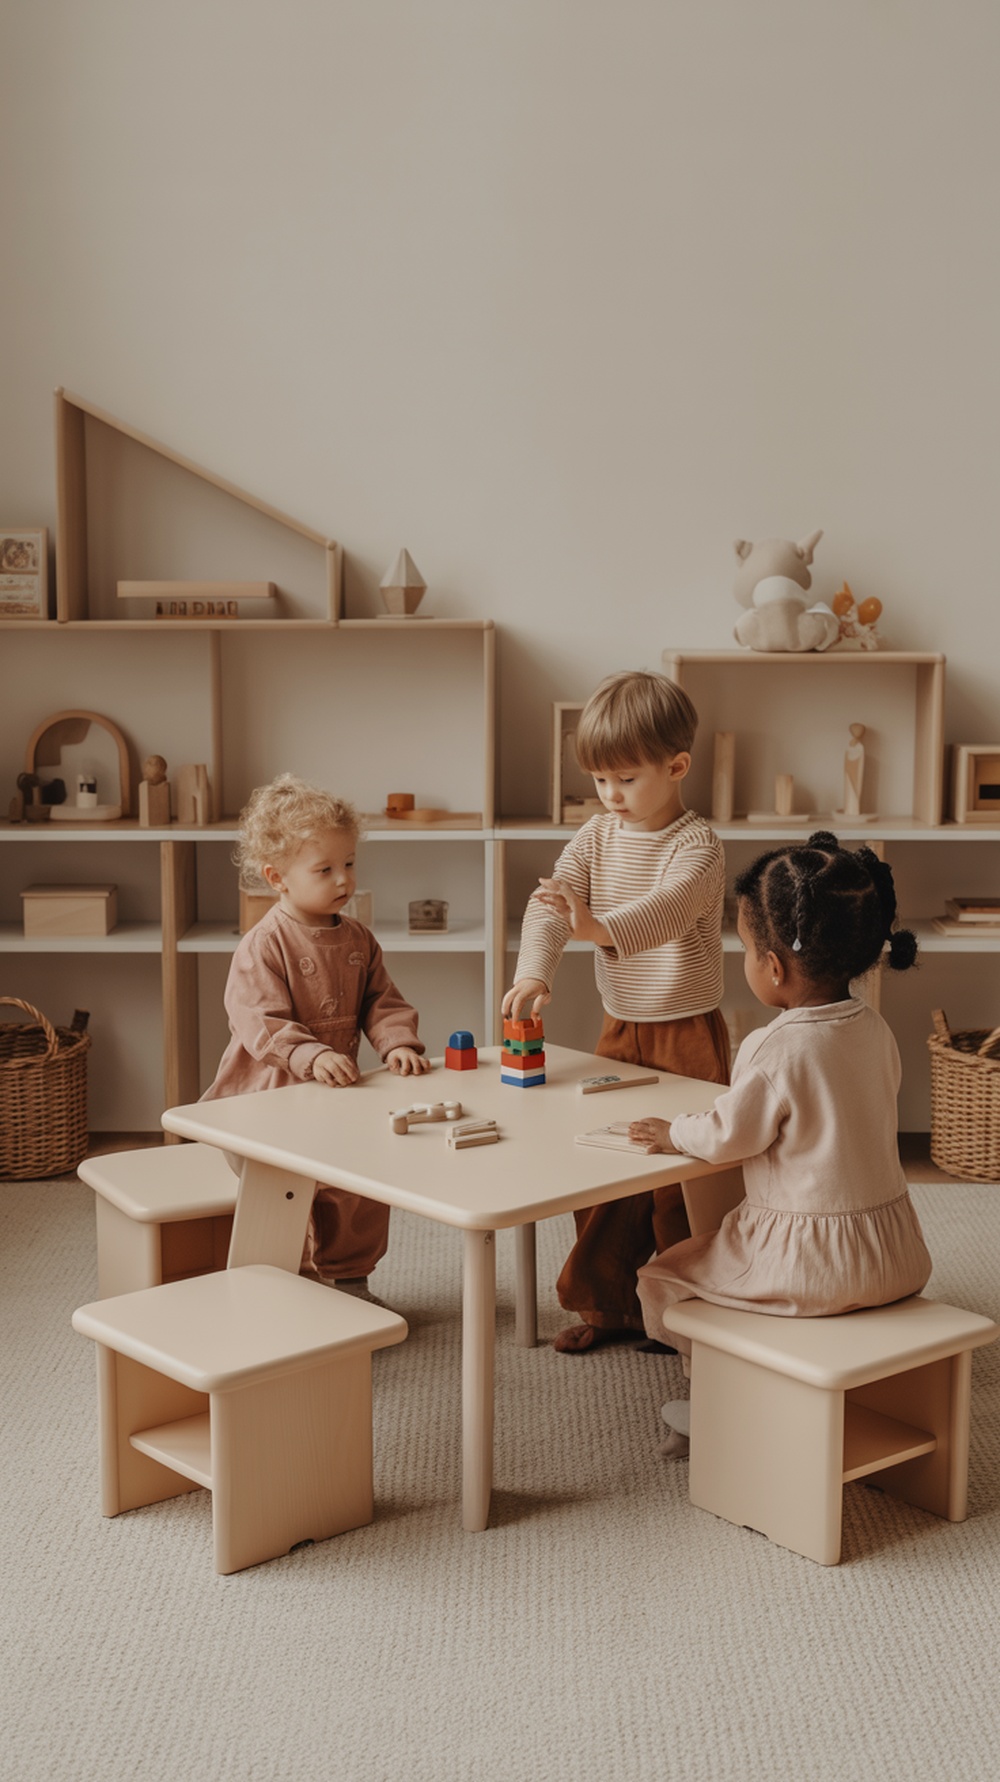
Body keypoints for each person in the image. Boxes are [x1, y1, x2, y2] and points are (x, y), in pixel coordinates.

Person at [631, 831, 931, 1456]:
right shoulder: (874, 1029)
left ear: (773, 967)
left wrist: (673, 1131)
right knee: (708, 1257)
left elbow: (728, 1136)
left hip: (807, 1265)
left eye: (744, 950)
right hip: (892, 1254)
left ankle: (718, 1395)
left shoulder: (774, 1045)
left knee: (663, 1275)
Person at [503, 669, 732, 1353]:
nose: (610, 796)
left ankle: (685, 1315)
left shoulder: (698, 845)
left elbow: (662, 914)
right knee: (605, 1170)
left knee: (679, 1184)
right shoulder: (599, 835)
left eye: (626, 779)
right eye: (600, 780)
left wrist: (594, 929)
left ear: (677, 766)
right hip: (620, 1027)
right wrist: (534, 971)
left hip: (688, 1032)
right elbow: (553, 904)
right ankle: (608, 1307)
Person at [203, 773, 430, 1295]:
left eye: (349, 864)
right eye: (324, 869)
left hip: (336, 1097)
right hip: (270, 1101)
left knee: (359, 1189)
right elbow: (261, 1020)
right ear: (277, 877)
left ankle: (352, 1279)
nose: (343, 879)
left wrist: (396, 1042)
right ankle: (296, 1287)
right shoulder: (263, 945)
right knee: (294, 1195)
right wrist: (308, 1053)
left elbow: (382, 1000)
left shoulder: (358, 938)